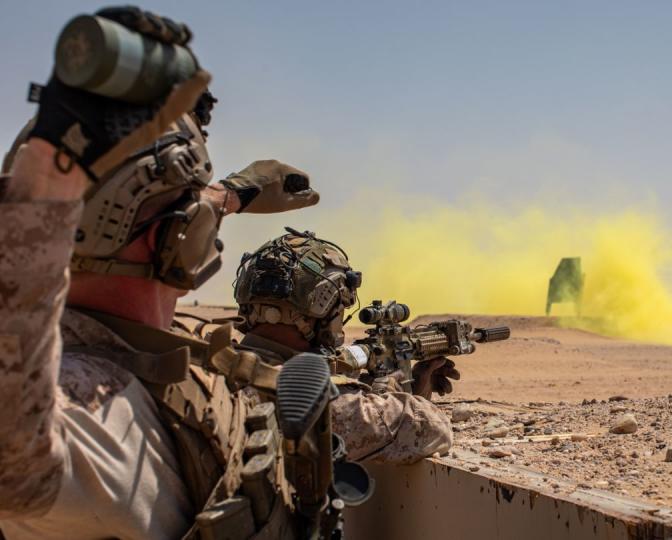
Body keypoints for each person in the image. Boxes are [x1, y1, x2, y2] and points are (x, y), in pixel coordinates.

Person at [0, 7, 318, 539]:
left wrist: (232, 193)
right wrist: (52, 172)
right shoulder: (92, 407)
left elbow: (153, 220)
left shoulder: (138, 358)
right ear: (177, 236)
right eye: (196, 208)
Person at [233, 229, 454, 464]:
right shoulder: (306, 401)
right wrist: (390, 394)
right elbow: (431, 428)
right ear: (325, 311)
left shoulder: (211, 364)